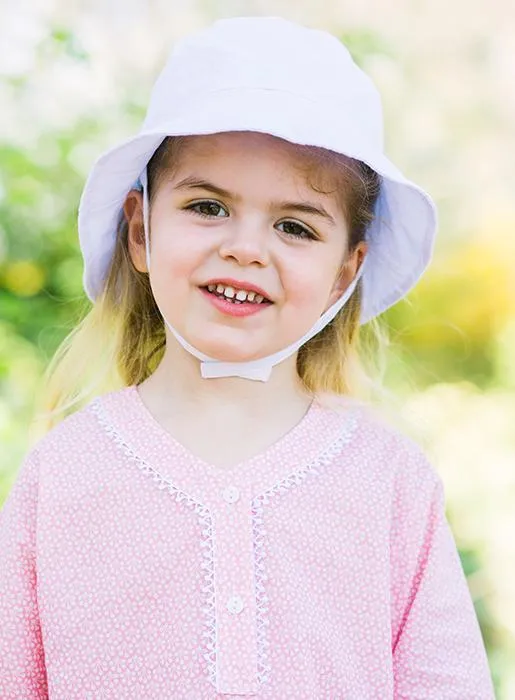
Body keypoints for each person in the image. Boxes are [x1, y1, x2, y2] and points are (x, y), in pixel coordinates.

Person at [0, 16, 495, 699]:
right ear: (142, 231)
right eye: (207, 207)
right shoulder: (63, 477)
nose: (245, 248)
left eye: (293, 226)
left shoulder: (390, 484)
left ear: (344, 273)